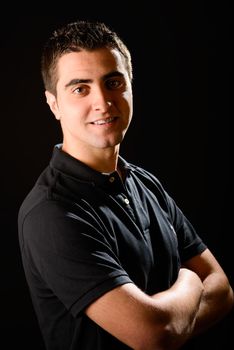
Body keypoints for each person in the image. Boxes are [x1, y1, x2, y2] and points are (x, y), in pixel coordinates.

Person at [18, 20, 233, 350]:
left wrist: (173, 323)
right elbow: (153, 336)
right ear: (54, 104)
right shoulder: (51, 213)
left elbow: (223, 290)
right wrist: (190, 281)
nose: (102, 101)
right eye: (80, 88)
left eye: (113, 82)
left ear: (130, 86)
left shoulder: (145, 184)